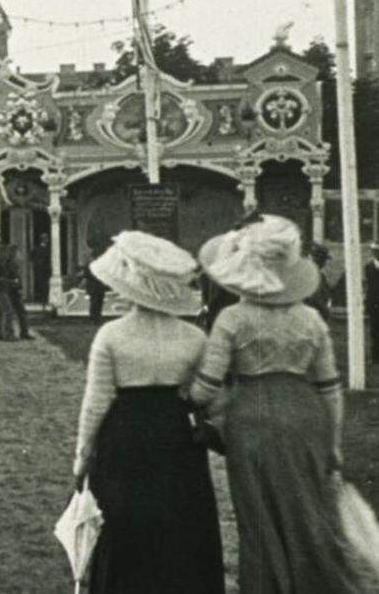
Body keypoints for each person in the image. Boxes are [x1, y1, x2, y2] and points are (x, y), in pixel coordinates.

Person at [192, 214, 362, 593]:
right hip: (307, 414)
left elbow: (206, 386)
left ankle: (266, 584)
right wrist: (333, 442)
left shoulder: (232, 319)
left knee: (258, 514)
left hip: (251, 418)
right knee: (306, 506)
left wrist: (193, 401)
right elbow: (330, 387)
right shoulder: (311, 320)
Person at [72, 231, 223, 594]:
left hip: (124, 434)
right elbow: (209, 397)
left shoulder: (112, 336)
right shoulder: (193, 338)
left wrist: (82, 458)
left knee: (125, 527)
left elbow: (96, 403)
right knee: (179, 527)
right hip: (175, 434)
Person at [0, 243, 33, 340]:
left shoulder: (9, 263)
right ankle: (6, 333)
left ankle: (22, 332)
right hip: (2, 289)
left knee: (17, 311)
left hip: (11, 289)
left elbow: (15, 277)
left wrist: (17, 286)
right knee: (6, 311)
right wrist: (12, 282)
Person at [306, 243, 333, 322]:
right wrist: (325, 311)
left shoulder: (321, 276)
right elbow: (315, 300)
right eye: (323, 259)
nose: (325, 263)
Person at [80, 256, 108, 325]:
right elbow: (87, 275)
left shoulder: (100, 266)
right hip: (93, 286)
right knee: (94, 302)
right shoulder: (89, 266)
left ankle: (97, 317)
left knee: (99, 302)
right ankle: (94, 318)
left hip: (99, 286)